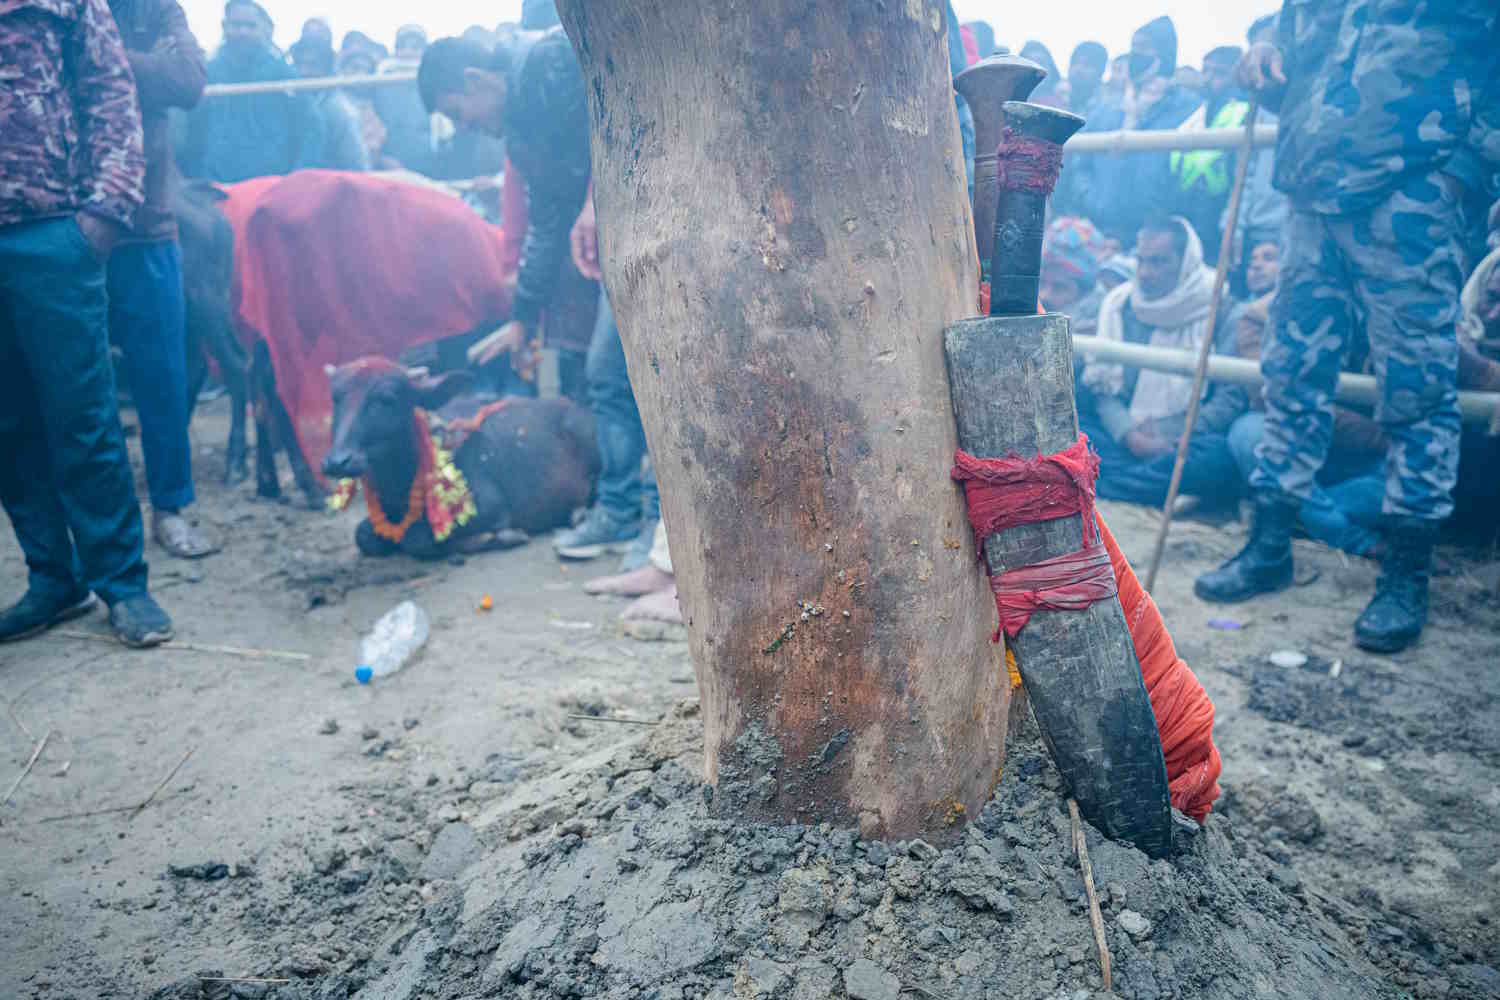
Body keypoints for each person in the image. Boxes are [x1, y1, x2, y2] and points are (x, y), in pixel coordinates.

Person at [1194, 3, 1500, 653]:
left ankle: (1406, 573)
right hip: (1312, 188)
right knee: (1292, 372)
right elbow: (1301, 51)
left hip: (1413, 190)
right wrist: (1268, 56)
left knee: (1417, 388)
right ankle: (1271, 544)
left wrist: (1461, 176)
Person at [418, 36, 658, 565]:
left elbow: (624, 115)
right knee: (609, 375)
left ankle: (663, 529)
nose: (464, 127)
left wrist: (598, 198)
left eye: (459, 112)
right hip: (620, 243)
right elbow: (547, 226)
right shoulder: (521, 138)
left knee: (652, 379)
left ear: (477, 79)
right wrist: (523, 319)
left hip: (657, 227)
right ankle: (619, 512)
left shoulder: (552, 63)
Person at [0, 0, 174, 646]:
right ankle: (53, 579)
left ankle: (123, 585)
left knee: (83, 417)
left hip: (53, 230)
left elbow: (110, 92)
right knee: (7, 425)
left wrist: (105, 212)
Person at [107, 0, 221, 560]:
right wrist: (145, 65)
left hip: (148, 222)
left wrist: (108, 59)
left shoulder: (158, 8)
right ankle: (101, 522)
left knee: (164, 373)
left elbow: (188, 81)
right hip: (69, 221)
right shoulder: (62, 10)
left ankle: (170, 508)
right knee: (75, 385)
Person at [1079, 216, 1246, 509]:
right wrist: (1129, 434)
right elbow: (1103, 387)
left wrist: (1175, 436)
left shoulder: (1221, 307)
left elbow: (1230, 397)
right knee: (1077, 431)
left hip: (1185, 439)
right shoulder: (1120, 304)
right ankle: (1159, 490)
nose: (1144, 272)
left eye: (1158, 262)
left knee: (1217, 458)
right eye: (1141, 261)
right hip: (1125, 435)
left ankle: (1114, 485)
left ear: (1185, 263)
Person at [1062, 17, 1202, 246]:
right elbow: (1080, 166)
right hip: (1100, 233)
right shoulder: (1107, 110)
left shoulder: (1188, 110)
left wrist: (1161, 211)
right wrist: (1093, 201)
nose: (1136, 55)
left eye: (1144, 48)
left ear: (1165, 57)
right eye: (1133, 48)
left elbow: (1190, 175)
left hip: (1157, 240)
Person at [181, 0, 323, 182]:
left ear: (263, 29)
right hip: (217, 186)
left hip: (270, 186)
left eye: (250, 26)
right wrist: (197, 178)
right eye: (236, 25)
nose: (243, 32)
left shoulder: (284, 74)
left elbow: (312, 128)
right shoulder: (209, 74)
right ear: (224, 27)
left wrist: (299, 178)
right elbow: (193, 133)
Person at [289, 36, 370, 171]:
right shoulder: (291, 100)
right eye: (299, 64)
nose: (304, 72)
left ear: (327, 70)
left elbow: (356, 164)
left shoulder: (339, 111)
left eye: (312, 65)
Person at [1066, 42, 1108, 116]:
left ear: (1100, 71)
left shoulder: (1107, 108)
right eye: (1075, 63)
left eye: (1087, 65)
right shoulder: (1057, 101)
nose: (1078, 69)